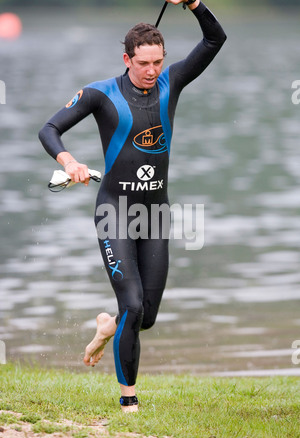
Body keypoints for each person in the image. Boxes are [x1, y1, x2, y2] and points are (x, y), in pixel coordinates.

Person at [39, 0, 226, 413]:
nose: (152, 70)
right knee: (133, 304)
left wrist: (194, 3)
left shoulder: (171, 82)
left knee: (147, 316)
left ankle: (108, 326)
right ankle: (129, 402)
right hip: (115, 213)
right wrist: (69, 162)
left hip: (156, 215)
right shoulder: (99, 94)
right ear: (127, 58)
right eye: (144, 62)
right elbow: (49, 128)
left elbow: (215, 39)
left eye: (158, 61)